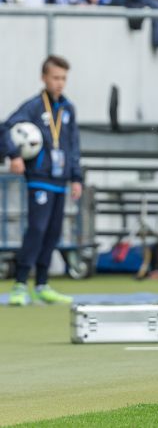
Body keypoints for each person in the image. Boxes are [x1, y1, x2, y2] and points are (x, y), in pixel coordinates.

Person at [5, 55, 82, 306]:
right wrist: (14, 155)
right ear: (44, 78)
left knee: (53, 232)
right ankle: (20, 284)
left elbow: (73, 145)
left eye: (63, 78)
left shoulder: (68, 109)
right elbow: (5, 128)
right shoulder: (34, 107)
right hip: (39, 178)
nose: (60, 83)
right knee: (37, 229)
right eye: (55, 77)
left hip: (61, 180)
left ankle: (42, 284)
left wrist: (76, 177)